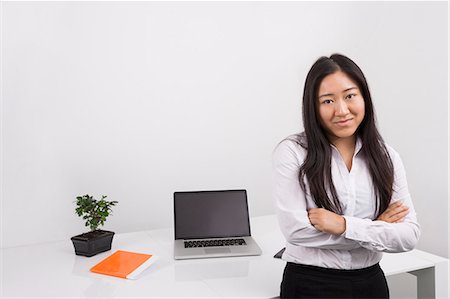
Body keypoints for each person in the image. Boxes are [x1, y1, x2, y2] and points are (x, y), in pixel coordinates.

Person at [272, 54, 420, 299]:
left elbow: (408, 236)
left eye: (350, 96)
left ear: (364, 98)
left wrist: (342, 225)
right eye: (327, 101)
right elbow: (296, 232)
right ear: (313, 107)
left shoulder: (387, 157)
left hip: (371, 282)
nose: (341, 110)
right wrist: (375, 229)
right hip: (310, 283)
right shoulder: (293, 152)